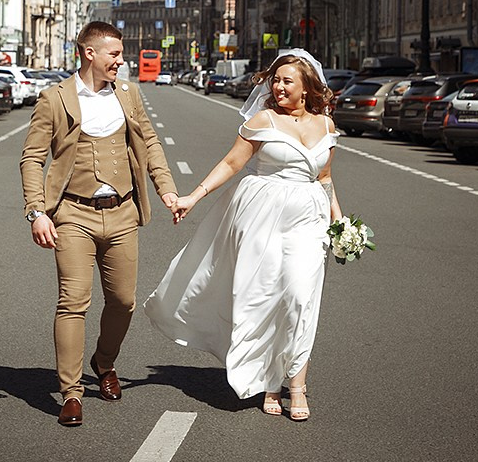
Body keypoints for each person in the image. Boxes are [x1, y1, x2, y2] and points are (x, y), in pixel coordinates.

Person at [144, 49, 343, 422]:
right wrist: (193, 196)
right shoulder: (262, 120)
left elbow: (326, 178)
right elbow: (232, 163)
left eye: (288, 81)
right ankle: (270, 381)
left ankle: (296, 384)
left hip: (309, 219)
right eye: (276, 80)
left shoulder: (326, 126)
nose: (279, 87)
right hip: (262, 218)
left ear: (307, 89)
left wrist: (341, 223)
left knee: (300, 298)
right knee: (267, 298)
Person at [20, 20, 178, 427]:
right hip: (72, 213)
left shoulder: (129, 93)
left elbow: (151, 143)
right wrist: (37, 211)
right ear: (90, 53)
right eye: (114, 54)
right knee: (73, 303)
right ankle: (71, 392)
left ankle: (104, 362)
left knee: (123, 301)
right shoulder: (54, 99)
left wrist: (167, 190)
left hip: (123, 211)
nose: (120, 61)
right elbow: (32, 158)